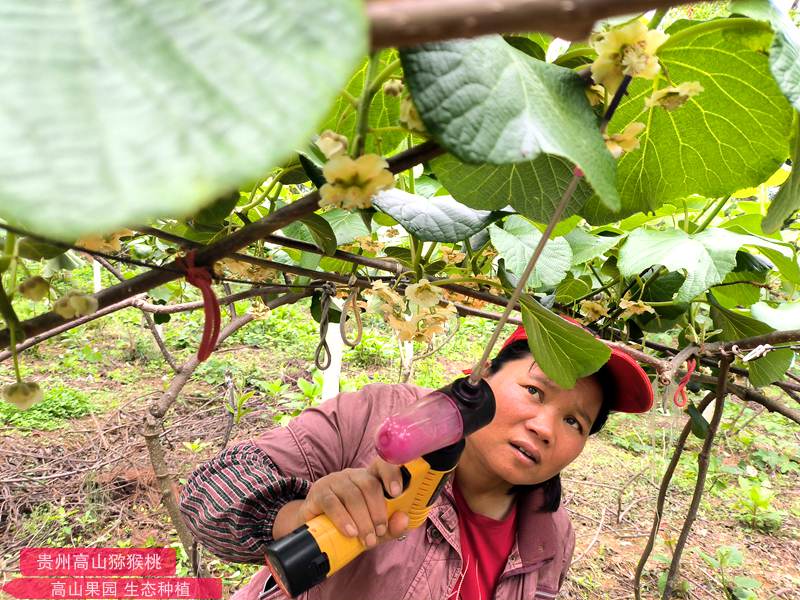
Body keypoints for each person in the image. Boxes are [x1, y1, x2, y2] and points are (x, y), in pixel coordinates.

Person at [179, 323, 653, 600]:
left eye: (575, 422)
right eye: (534, 391)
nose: (545, 428)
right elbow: (209, 496)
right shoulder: (377, 419)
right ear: (482, 376)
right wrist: (295, 517)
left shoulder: (552, 533)